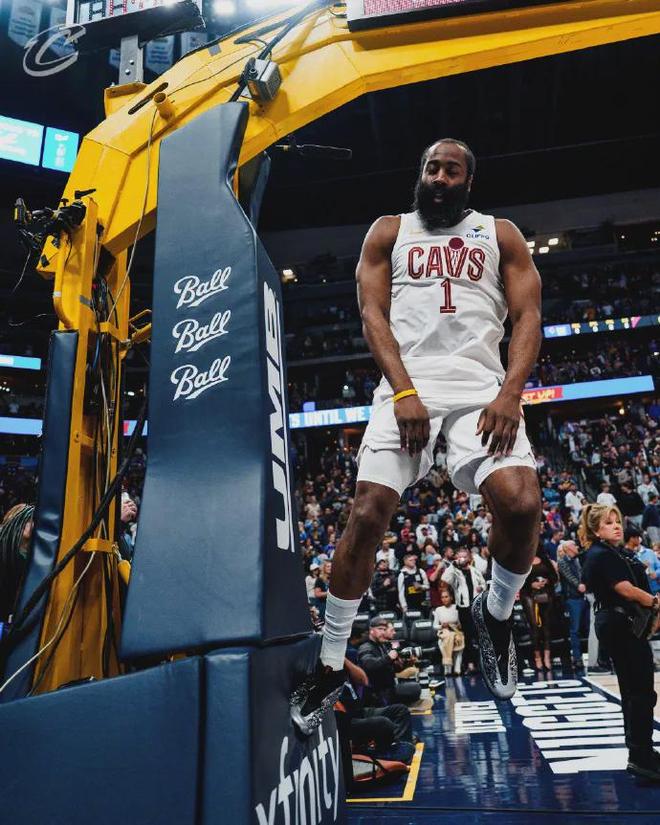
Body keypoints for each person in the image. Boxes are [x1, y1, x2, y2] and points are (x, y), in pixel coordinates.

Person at [291, 138, 542, 735]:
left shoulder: (500, 234)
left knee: (521, 503)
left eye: (452, 170)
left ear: (467, 182)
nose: (439, 177)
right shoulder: (388, 231)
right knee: (366, 513)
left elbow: (528, 316)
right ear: (421, 174)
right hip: (406, 386)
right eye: (432, 167)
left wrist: (511, 393)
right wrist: (403, 392)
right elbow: (372, 314)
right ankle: (329, 663)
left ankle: (495, 615)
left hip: (481, 389)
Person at [581, 504, 660, 781]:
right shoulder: (601, 554)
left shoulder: (610, 552)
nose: (617, 526)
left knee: (635, 691)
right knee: (640, 691)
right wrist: (655, 602)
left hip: (620, 623)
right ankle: (640, 756)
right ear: (595, 530)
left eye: (617, 521)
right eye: (608, 523)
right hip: (619, 623)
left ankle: (642, 752)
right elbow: (624, 590)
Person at [357, 618, 421, 706]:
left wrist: (406, 664)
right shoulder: (366, 647)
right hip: (376, 693)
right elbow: (369, 665)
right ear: (371, 630)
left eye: (384, 630)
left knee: (415, 687)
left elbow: (390, 669)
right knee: (415, 688)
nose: (383, 632)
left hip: (388, 687)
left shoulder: (381, 646)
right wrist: (389, 657)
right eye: (380, 629)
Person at [520, 545, 559, 670]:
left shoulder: (545, 560)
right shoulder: (523, 561)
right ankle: (537, 657)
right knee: (534, 627)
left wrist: (546, 581)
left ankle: (547, 657)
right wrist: (531, 584)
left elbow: (554, 577)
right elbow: (518, 580)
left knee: (546, 626)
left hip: (546, 594)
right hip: (529, 595)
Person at [557, 539, 589, 669]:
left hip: (584, 597)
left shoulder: (577, 560)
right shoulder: (562, 562)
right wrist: (580, 585)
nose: (577, 547)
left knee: (588, 628)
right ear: (568, 548)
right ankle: (577, 658)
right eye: (574, 545)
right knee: (574, 630)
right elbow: (570, 577)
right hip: (573, 598)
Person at [433, 587, 464, 675]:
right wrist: (441, 626)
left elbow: (460, 623)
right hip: (444, 632)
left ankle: (457, 670)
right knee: (447, 638)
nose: (444, 599)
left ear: (451, 598)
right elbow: (434, 626)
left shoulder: (456, 608)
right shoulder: (438, 610)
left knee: (458, 639)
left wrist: (457, 626)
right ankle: (448, 669)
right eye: (442, 597)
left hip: (455, 631)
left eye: (446, 597)